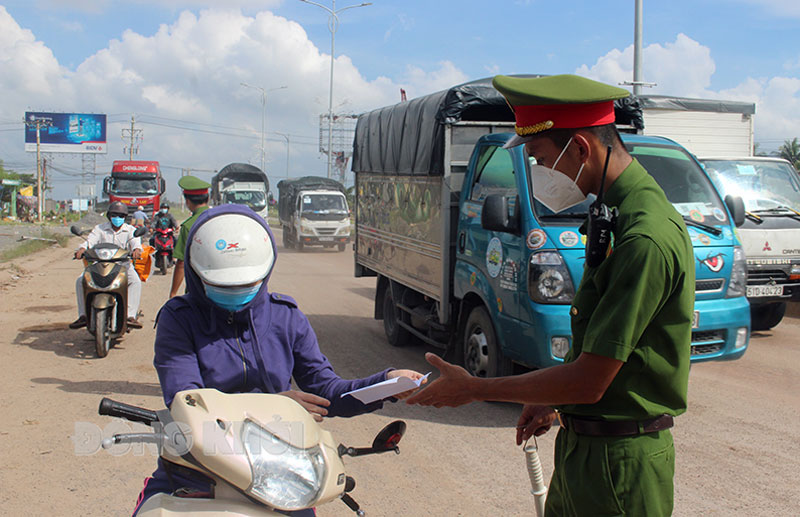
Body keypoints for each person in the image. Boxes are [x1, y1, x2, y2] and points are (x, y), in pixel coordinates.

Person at [406, 74, 695, 516]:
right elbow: (594, 350)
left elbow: (589, 380)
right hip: (588, 450)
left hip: (619, 466)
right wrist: (553, 398)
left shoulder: (645, 236)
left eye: (540, 160)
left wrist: (474, 388)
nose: (539, 175)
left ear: (580, 149)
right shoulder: (614, 212)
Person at [132, 204, 425, 515]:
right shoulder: (178, 319)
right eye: (221, 285)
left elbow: (326, 391)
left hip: (278, 470)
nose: (236, 293)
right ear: (196, 273)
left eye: (247, 284)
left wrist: (387, 383)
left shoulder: (286, 317)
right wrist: (274, 406)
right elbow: (186, 398)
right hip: (199, 464)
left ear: (267, 271)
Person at [70, 201, 144, 329]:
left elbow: (136, 244)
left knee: (135, 281)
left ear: (125, 217)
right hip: (100, 265)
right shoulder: (100, 229)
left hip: (123, 266)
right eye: (114, 215)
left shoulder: (131, 230)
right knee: (80, 280)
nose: (118, 218)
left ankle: (130, 316)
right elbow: (89, 242)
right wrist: (82, 249)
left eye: (121, 216)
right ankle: (83, 316)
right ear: (109, 216)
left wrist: (136, 251)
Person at [169, 176, 211, 298]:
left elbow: (181, 263)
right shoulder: (220, 219)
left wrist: (173, 293)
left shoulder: (189, 226)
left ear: (187, 202)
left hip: (198, 289)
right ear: (207, 199)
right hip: (224, 286)